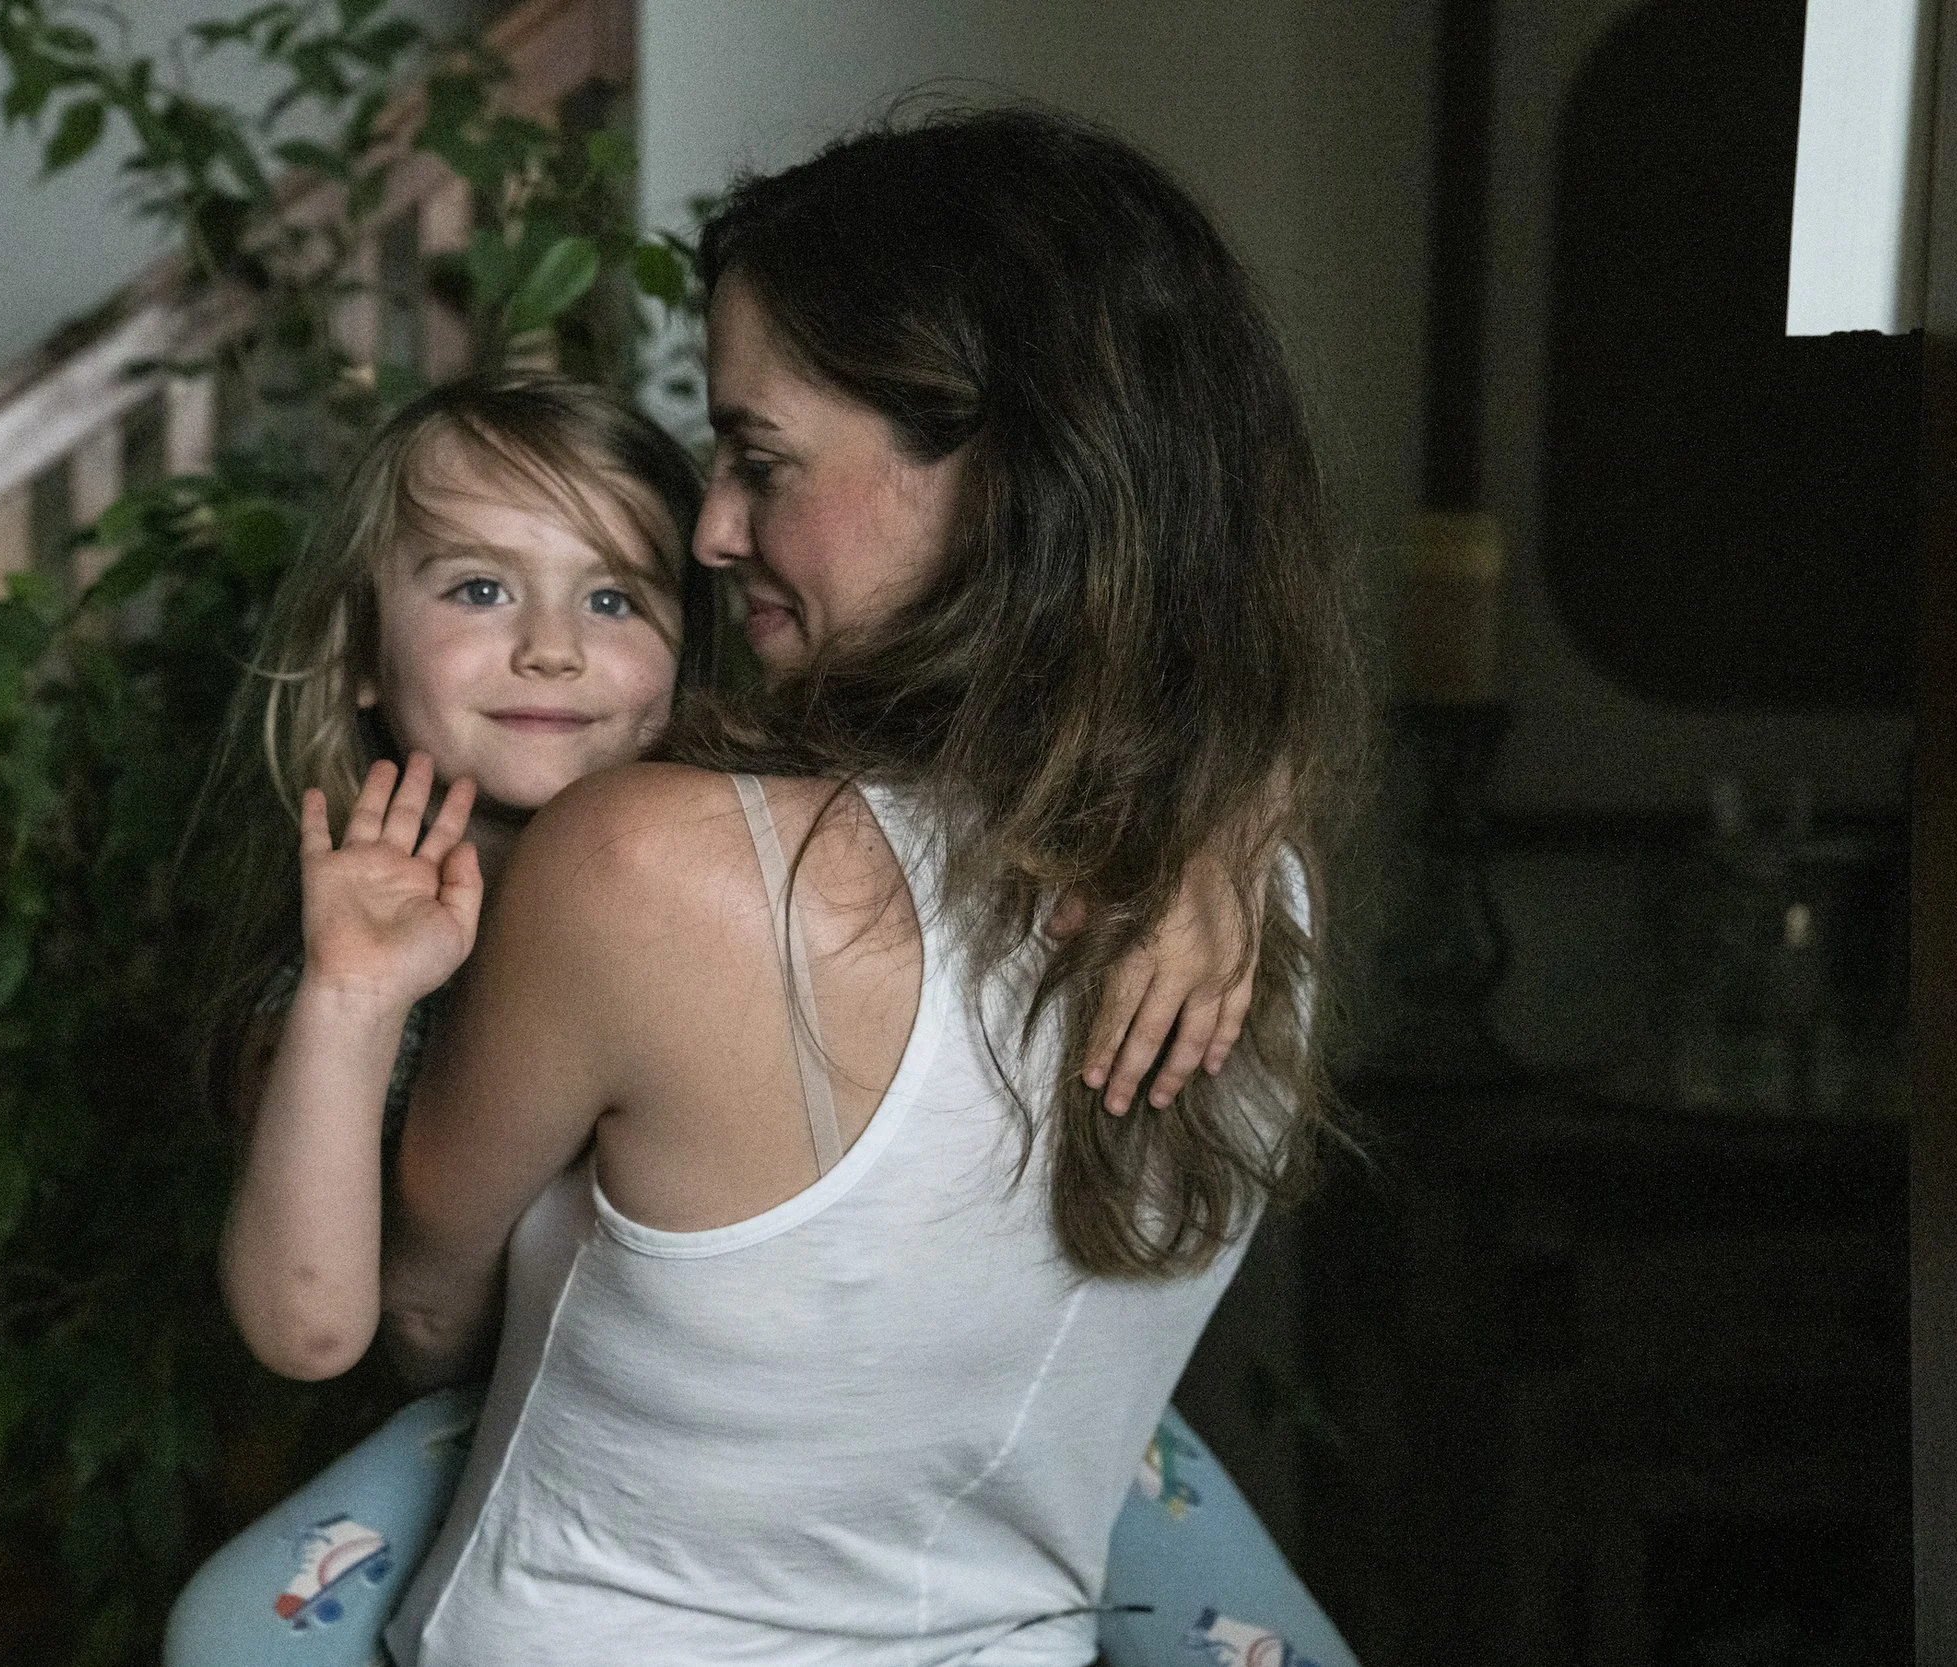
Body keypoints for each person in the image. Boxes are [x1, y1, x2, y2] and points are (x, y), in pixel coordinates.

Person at [360, 104, 1365, 1665]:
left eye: (761, 459)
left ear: (1006, 466)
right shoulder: (1254, 884)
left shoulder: (645, 865)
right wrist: (1241, 794)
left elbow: (418, 1313)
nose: (708, 529)